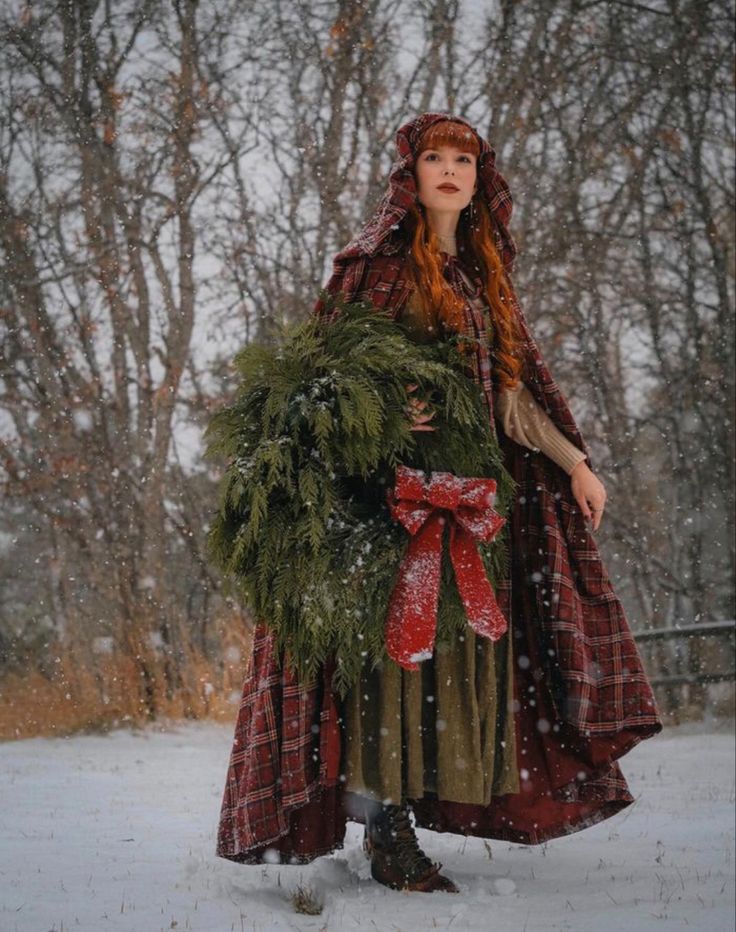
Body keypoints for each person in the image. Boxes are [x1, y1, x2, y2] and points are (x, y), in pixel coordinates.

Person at [215, 112, 663, 894]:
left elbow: (512, 395)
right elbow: (326, 378)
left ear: (480, 176)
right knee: (394, 663)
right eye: (434, 157)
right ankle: (387, 830)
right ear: (410, 173)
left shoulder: (483, 274)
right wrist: (385, 412)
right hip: (387, 508)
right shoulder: (374, 265)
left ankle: (409, 815)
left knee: (453, 666)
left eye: (464, 158)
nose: (450, 170)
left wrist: (575, 461)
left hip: (474, 505)